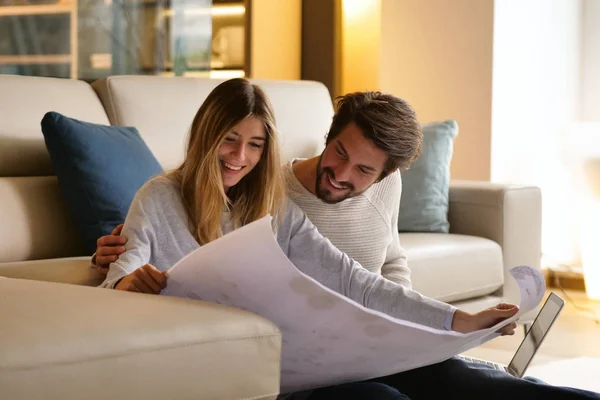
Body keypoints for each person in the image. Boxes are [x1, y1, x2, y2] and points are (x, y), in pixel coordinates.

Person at [97, 78, 520, 400]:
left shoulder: (273, 210)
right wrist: (125, 285)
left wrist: (454, 320)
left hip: (296, 363)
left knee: (459, 377)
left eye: (255, 145)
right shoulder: (156, 197)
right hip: (217, 371)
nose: (239, 157)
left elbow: (355, 280)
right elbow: (117, 278)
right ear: (206, 134)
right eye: (229, 139)